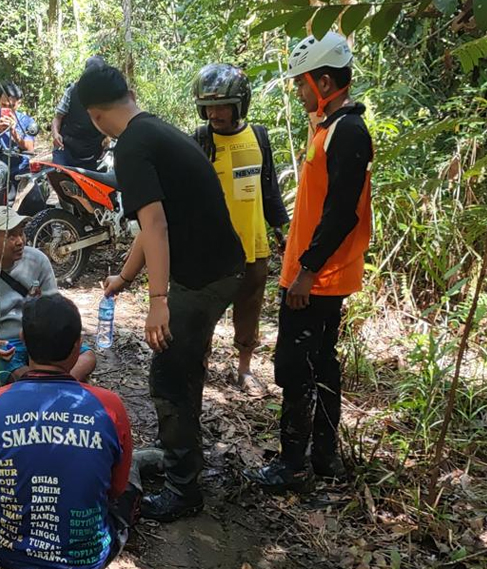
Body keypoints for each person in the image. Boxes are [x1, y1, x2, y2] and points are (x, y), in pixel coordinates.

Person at [80, 65, 245, 522]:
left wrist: (158, 305)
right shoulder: (155, 131)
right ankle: (177, 453)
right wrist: (126, 278)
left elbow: (154, 225)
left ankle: (182, 488)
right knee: (184, 365)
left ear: (95, 116)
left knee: (169, 374)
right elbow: (153, 222)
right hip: (222, 267)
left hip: (203, 278)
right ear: (128, 95)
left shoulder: (132, 147)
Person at [244, 32, 373, 493]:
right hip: (312, 273)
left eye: (302, 84)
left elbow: (343, 213)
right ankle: (323, 458)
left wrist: (307, 271)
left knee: (298, 368)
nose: (299, 92)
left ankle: (294, 465)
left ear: (323, 80)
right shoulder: (329, 128)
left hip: (317, 280)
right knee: (319, 363)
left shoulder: (349, 132)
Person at [0, 294, 137, 569]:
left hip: (6, 552)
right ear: (78, 346)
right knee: (133, 476)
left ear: (23, 339)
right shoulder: (110, 407)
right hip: (86, 558)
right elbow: (115, 489)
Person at [191, 63, 290, 396]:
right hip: (213, 249)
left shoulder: (258, 137)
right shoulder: (201, 139)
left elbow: (269, 189)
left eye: (222, 105)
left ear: (239, 104)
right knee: (204, 312)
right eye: (209, 106)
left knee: (249, 309)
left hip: (253, 243)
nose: (215, 112)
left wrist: (282, 232)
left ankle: (243, 370)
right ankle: (199, 367)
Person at [0, 206, 96, 386]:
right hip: (4, 346)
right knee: (11, 371)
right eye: (11, 236)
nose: (20, 241)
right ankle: (52, 387)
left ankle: (53, 386)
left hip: (40, 340)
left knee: (87, 356)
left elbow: (53, 308)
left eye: (21, 233)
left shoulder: (37, 260)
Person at [53, 55, 109, 171]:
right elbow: (57, 117)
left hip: (92, 153)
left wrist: (108, 137)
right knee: (60, 180)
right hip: (66, 149)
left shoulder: (107, 95)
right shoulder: (72, 91)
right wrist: (55, 133)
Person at [0, 81, 36, 179]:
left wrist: (13, 132)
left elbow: (30, 148)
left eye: (11, 106)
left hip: (19, 170)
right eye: (3, 105)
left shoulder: (26, 121)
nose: (7, 109)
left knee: (32, 191)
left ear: (19, 104)